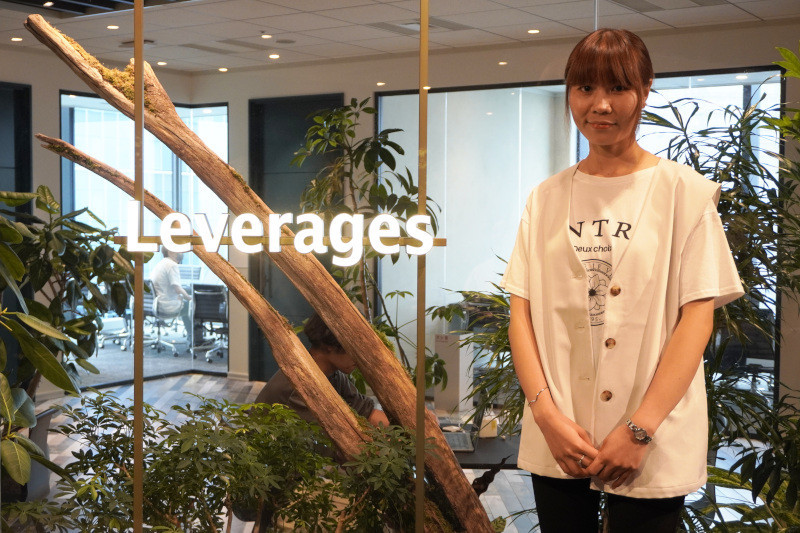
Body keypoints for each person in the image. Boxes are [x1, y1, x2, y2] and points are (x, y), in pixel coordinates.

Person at [500, 29, 744, 532]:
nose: (601, 105)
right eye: (585, 88)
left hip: (652, 436)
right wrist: (546, 417)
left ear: (645, 89)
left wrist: (639, 430)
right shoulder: (545, 198)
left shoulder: (686, 194)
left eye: (618, 88)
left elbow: (696, 321)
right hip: (560, 429)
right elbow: (520, 315)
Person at [254, 312, 390, 429]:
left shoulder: (334, 374)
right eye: (355, 348)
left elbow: (366, 411)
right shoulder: (299, 385)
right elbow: (341, 435)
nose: (361, 357)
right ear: (330, 345)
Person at [150, 246, 195, 347]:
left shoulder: (160, 264)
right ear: (170, 252)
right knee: (192, 306)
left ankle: (191, 336)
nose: (181, 252)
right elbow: (177, 288)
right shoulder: (172, 265)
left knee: (187, 305)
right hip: (167, 307)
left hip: (159, 305)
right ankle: (195, 339)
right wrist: (190, 298)